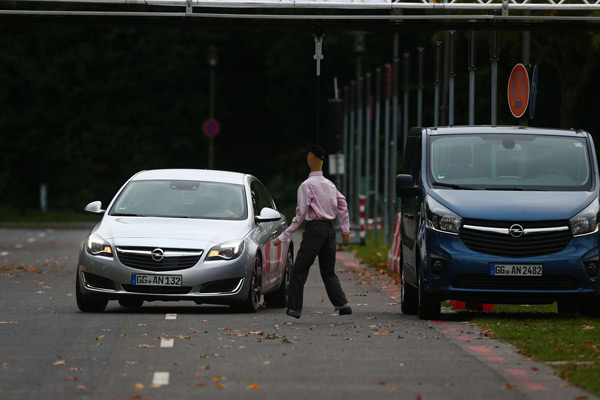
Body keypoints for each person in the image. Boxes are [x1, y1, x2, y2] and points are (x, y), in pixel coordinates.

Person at [273, 144, 352, 319]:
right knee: (328, 271)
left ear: (312, 158)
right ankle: (342, 304)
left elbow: (301, 212)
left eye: (308, 155)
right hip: (330, 230)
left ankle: (294, 308)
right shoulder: (330, 185)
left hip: (315, 230)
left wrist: (284, 235)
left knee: (299, 269)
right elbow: (343, 203)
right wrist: (345, 231)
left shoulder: (306, 185)